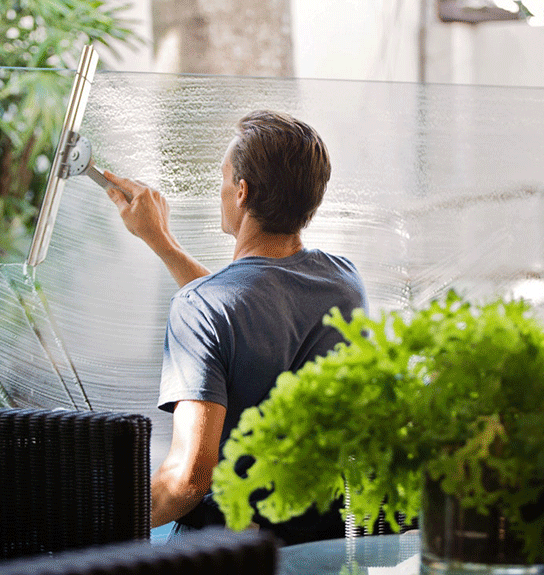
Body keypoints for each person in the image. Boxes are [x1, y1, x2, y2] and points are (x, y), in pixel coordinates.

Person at [103, 110, 368, 544]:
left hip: (229, 552)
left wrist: (90, 519)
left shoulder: (203, 307)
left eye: (224, 178)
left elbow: (188, 480)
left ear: (241, 193)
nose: (221, 189)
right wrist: (162, 242)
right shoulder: (344, 283)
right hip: (323, 546)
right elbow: (252, 308)